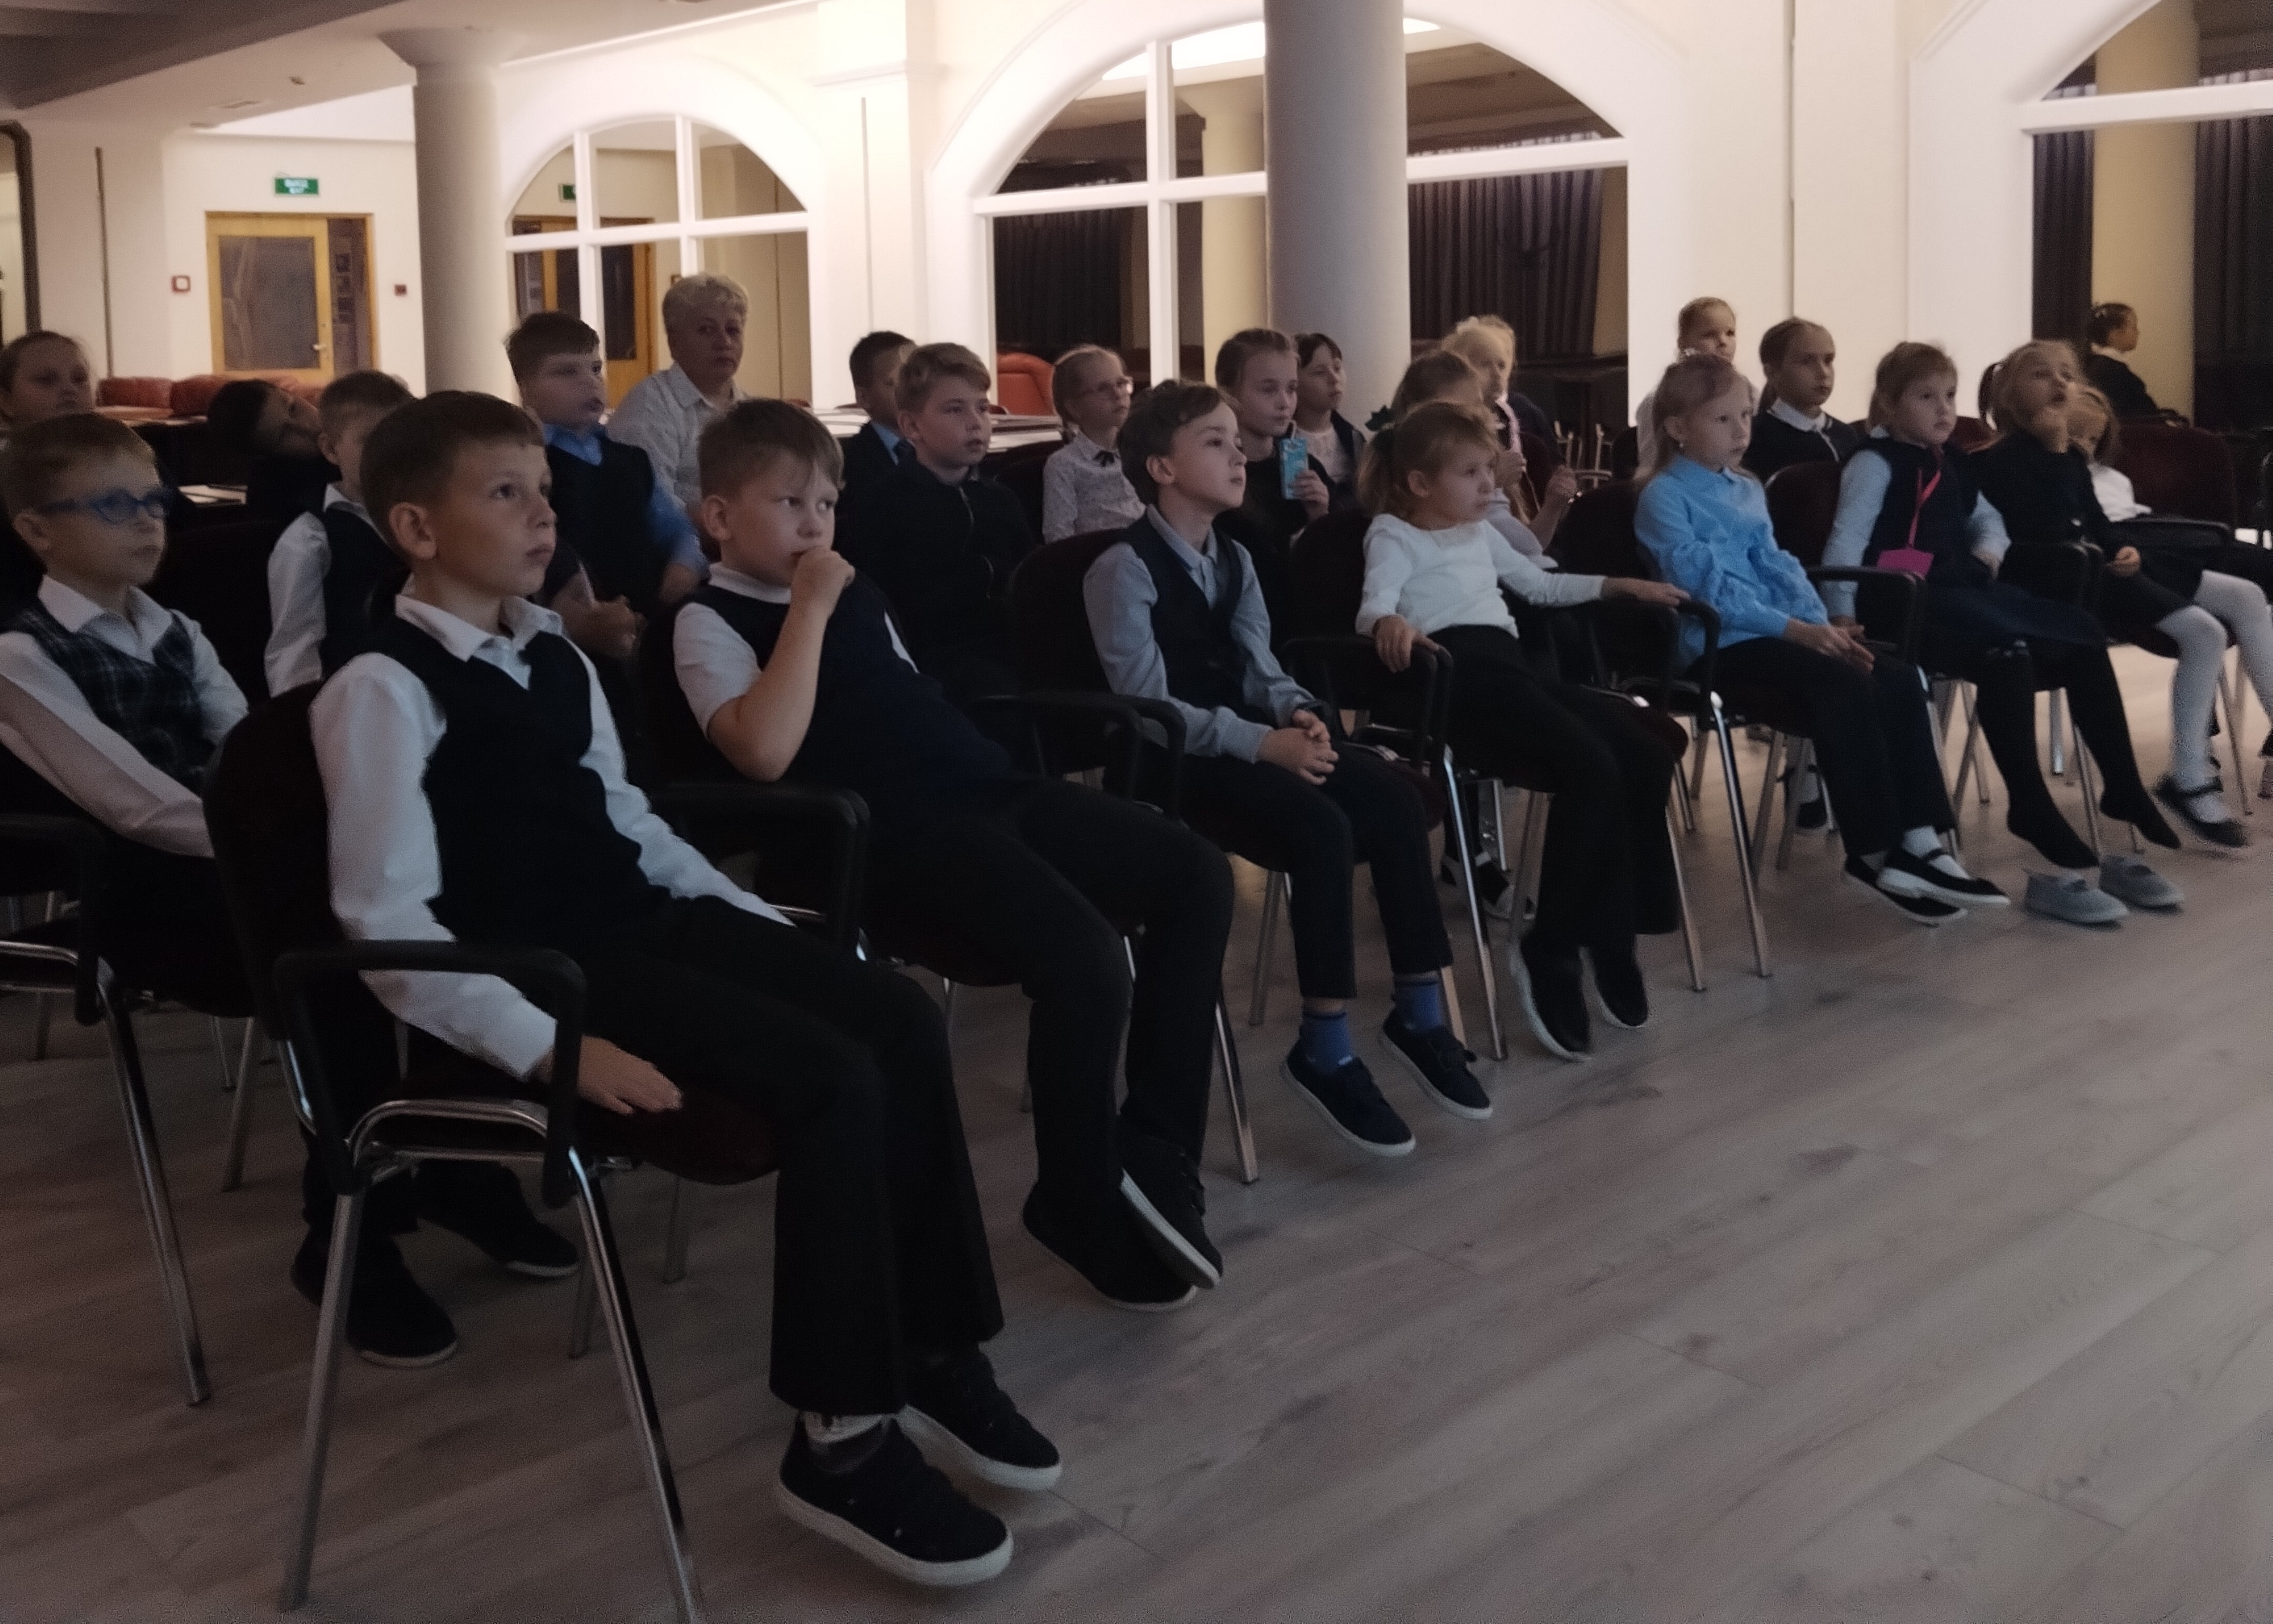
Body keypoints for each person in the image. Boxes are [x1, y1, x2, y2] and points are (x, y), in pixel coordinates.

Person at [320, 389, 1042, 1587]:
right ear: (416, 526)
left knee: (898, 1016)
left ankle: (932, 1347)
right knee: (830, 1079)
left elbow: (635, 828)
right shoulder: (381, 688)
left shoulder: (555, 653)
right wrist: (551, 1046)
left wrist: (755, 923)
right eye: (506, 493)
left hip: (644, 922)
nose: (544, 516)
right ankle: (840, 1436)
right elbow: (386, 927)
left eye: (545, 493)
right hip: (550, 971)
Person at [0, 412, 572, 1369]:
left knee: (431, 905)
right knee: (332, 957)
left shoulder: (178, 629)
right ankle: (345, 1229)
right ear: (35, 530)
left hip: (245, 868)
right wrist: (282, 847)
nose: (146, 521)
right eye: (111, 505)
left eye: (154, 500)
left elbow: (250, 747)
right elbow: (133, 805)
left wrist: (310, 832)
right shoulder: (19, 658)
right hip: (142, 900)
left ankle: (454, 1162)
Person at [675, 398, 1233, 1310]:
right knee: (1086, 958)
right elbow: (763, 752)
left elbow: (913, 695)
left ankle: (1157, 1144)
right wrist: (809, 609)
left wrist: (836, 601)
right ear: (720, 517)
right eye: (788, 504)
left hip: (982, 786)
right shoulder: (708, 621)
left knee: (1194, 874)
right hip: (884, 830)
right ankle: (1077, 1195)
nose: (814, 524)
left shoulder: (859, 594)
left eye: (826, 504)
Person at [1086, 380, 1485, 1152]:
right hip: (1169, 760)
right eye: (1215, 442)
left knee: (1395, 797)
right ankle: (1324, 1046)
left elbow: (1261, 668)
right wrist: (1260, 743)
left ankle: (1419, 1011)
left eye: (1238, 442)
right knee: (1320, 827)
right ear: (1161, 468)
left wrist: (1299, 711)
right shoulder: (1121, 568)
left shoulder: (1235, 558)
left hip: (1246, 738)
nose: (1239, 455)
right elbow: (1148, 704)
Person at [1357, 403, 1688, 1056]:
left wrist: (1618, 585)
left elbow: (1539, 587)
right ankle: (1552, 945)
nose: (1490, 484)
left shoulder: (1478, 533)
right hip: (1455, 681)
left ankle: (1611, 927)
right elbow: (1374, 607)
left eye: (1489, 469)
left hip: (1512, 672)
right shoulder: (1393, 533)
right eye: (1470, 473)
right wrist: (1390, 623)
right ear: (1419, 483)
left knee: (1647, 747)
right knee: (1590, 763)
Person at [1633, 354, 2001, 925]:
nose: (1741, 431)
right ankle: (1872, 851)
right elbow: (1709, 590)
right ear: (1678, 427)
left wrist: (1823, 624)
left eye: (1745, 416)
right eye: (1722, 420)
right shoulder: (1664, 495)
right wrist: (1802, 632)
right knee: (1842, 682)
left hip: (1784, 631)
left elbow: (1778, 566)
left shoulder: (1746, 487)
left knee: (1898, 676)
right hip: (1719, 643)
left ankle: (1922, 842)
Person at [1821, 342, 2177, 924]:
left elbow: (1987, 517)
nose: (1944, 409)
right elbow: (1846, 539)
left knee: (2082, 636)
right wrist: (1840, 611)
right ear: (1888, 403)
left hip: (1960, 588)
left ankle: (2123, 783)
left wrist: (1989, 550)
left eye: (1950, 396)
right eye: (1926, 397)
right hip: (1903, 603)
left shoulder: (1951, 458)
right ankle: (2029, 802)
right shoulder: (1874, 462)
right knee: (2005, 649)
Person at [1976, 340, 2270, 846]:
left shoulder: (2070, 457)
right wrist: (2057, 454)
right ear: (2008, 393)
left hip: (2109, 568)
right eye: (2042, 374)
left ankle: (2190, 773)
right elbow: (2047, 533)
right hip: (2068, 583)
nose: (2060, 383)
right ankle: (2190, 776)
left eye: (2067, 374)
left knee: (2237, 604)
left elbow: (2096, 522)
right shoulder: (1999, 461)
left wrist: (2120, 547)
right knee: (2202, 631)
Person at [836, 342, 1033, 709]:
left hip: (1006, 646)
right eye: (955, 409)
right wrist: (985, 574)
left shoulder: (1000, 499)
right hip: (934, 662)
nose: (975, 422)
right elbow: (895, 608)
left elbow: (1028, 581)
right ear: (911, 425)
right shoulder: (884, 505)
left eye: (982, 408)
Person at [508, 309, 706, 615]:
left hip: (649, 612)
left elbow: (675, 527)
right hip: (567, 617)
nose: (591, 382)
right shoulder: (530, 464)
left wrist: (684, 564)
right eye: (566, 372)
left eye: (595, 368)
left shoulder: (632, 459)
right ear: (526, 389)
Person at [263, 369, 416, 693]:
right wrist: (300, 713)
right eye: (371, 440)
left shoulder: (428, 520)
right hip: (354, 696)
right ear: (331, 449)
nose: (390, 453)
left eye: (401, 439)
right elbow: (294, 650)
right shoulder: (310, 539)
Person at [1390, 349, 1568, 560]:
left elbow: (1527, 546)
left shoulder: (1481, 459)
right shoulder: (1407, 470)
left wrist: (1553, 505)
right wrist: (1491, 481)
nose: (1476, 419)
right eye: (1460, 411)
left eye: (1478, 406)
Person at [1214, 328, 1331, 636]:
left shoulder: (1305, 466)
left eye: (1292, 389)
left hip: (1303, 621)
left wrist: (1319, 517)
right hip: (1247, 622)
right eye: (1268, 390)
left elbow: (1327, 568)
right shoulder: (1219, 474)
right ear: (1229, 392)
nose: (1285, 402)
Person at [605, 272, 749, 512]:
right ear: (674, 343)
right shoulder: (650, 405)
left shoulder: (750, 411)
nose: (724, 342)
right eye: (706, 330)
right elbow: (652, 505)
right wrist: (732, 524)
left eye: (733, 330)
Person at [0, 332, 101, 601]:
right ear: (6, 401)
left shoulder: (122, 455)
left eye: (79, 379)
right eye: (46, 380)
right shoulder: (8, 473)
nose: (69, 390)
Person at [1634, 297, 1756, 469]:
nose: (1723, 342)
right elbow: (1651, 464)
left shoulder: (1747, 391)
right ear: (1683, 343)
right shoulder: (1658, 401)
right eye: (1709, 335)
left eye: (1730, 333)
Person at [1040, 344, 1142, 542]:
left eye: (1121, 383)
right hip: (1097, 553)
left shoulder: (1138, 451)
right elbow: (1058, 536)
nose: (1117, 394)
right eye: (1103, 388)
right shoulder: (1063, 465)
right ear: (1074, 407)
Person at [204, 378, 336, 524]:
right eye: (283, 435)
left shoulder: (347, 415)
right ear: (266, 456)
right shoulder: (286, 507)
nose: (306, 427)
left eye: (293, 408)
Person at [1743, 318, 1861, 478]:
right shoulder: (1754, 437)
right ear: (1772, 373)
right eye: (1806, 362)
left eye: (1828, 361)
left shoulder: (1846, 434)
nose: (1824, 373)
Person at [1291, 332, 1369, 509]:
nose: (1334, 379)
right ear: (1295, 383)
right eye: (1319, 372)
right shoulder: (1285, 440)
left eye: (1337, 368)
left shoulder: (1353, 439)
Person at [841, 330, 916, 495]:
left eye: (918, 380)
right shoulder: (849, 462)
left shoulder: (942, 446)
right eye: (897, 382)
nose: (913, 390)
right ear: (864, 397)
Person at [2082, 302, 2161, 420]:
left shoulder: (2096, 364)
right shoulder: (2110, 371)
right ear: (2115, 333)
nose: (2138, 332)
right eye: (2133, 327)